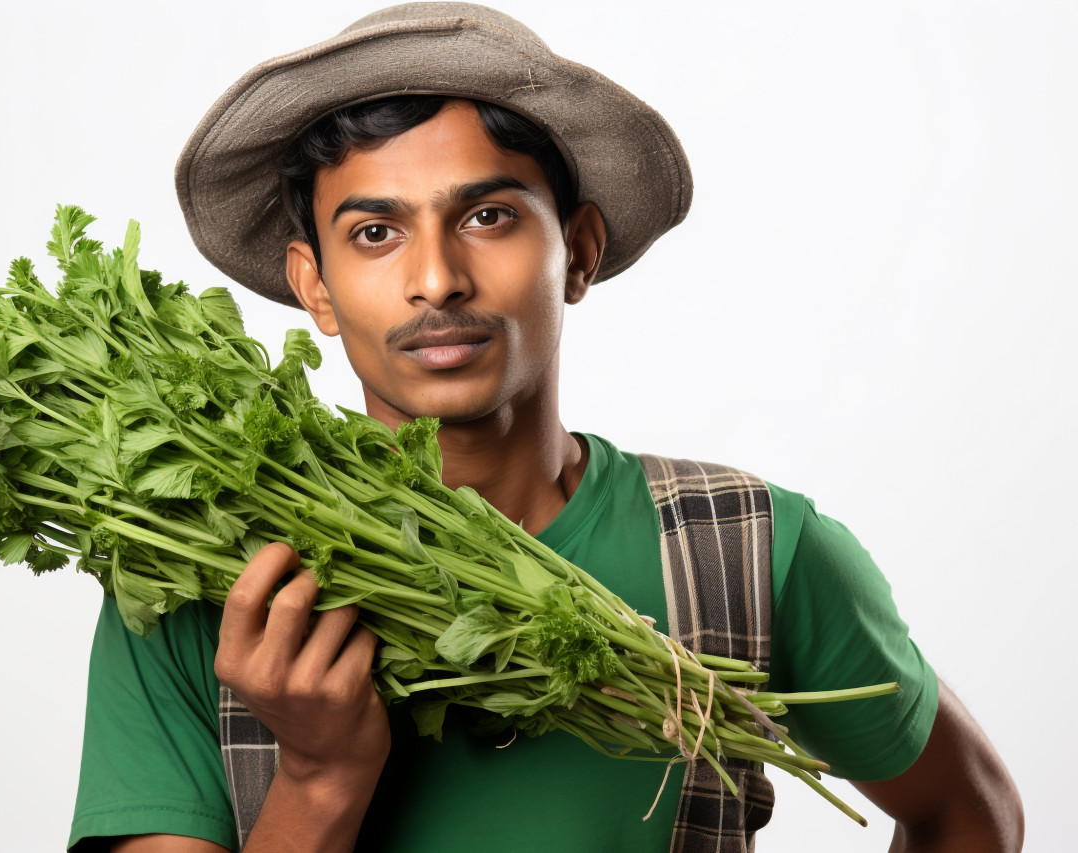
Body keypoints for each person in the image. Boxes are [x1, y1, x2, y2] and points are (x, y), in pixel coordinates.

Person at [68, 4, 1023, 851]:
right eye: (374, 232)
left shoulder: (753, 548)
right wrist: (319, 780)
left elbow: (969, 813)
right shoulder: (200, 585)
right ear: (312, 283)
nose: (436, 278)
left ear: (581, 252)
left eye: (487, 215)